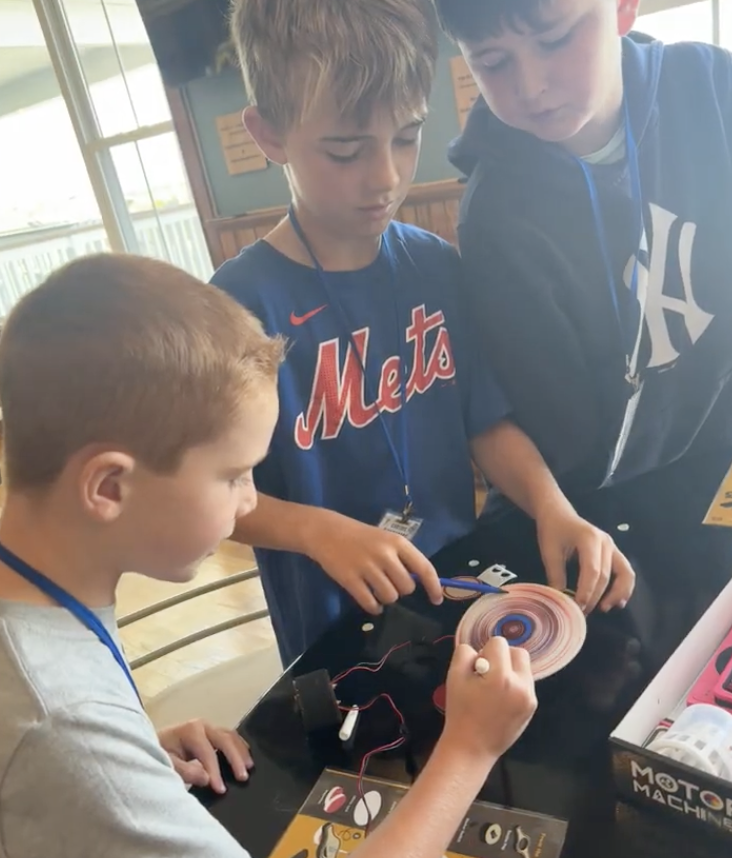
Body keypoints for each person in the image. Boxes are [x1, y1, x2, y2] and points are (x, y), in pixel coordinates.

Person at [0, 253, 538, 858]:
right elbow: (57, 741)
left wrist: (135, 757)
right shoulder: (64, 729)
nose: (252, 499)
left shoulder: (35, 620)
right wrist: (469, 747)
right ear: (108, 488)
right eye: (235, 475)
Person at [212, 0, 635, 668]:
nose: (384, 177)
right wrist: (314, 529)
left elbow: (484, 421)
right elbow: (208, 494)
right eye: (346, 150)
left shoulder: (434, 266)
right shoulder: (237, 306)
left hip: (460, 589)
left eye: (406, 138)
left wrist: (553, 507)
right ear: (268, 135)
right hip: (336, 631)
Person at [434, 0, 732, 592]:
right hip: (593, 506)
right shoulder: (496, 214)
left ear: (622, 8)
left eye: (555, 39)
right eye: (493, 62)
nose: (533, 86)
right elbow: (557, 434)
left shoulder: (712, 88)